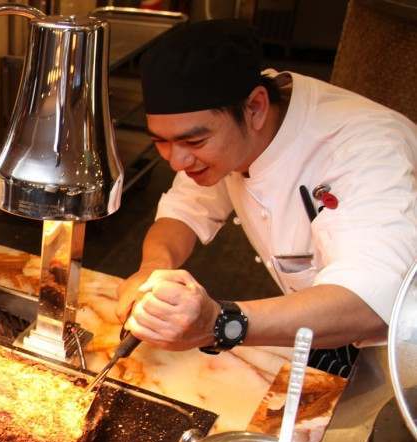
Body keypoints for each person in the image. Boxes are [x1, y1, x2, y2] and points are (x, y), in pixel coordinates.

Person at [117, 20, 417, 373]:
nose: (177, 160)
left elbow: (369, 300)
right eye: (161, 141)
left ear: (255, 108)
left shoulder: (366, 147)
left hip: (399, 353)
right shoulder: (237, 116)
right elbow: (185, 207)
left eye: (193, 142)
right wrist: (153, 268)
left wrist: (220, 322)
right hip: (320, 333)